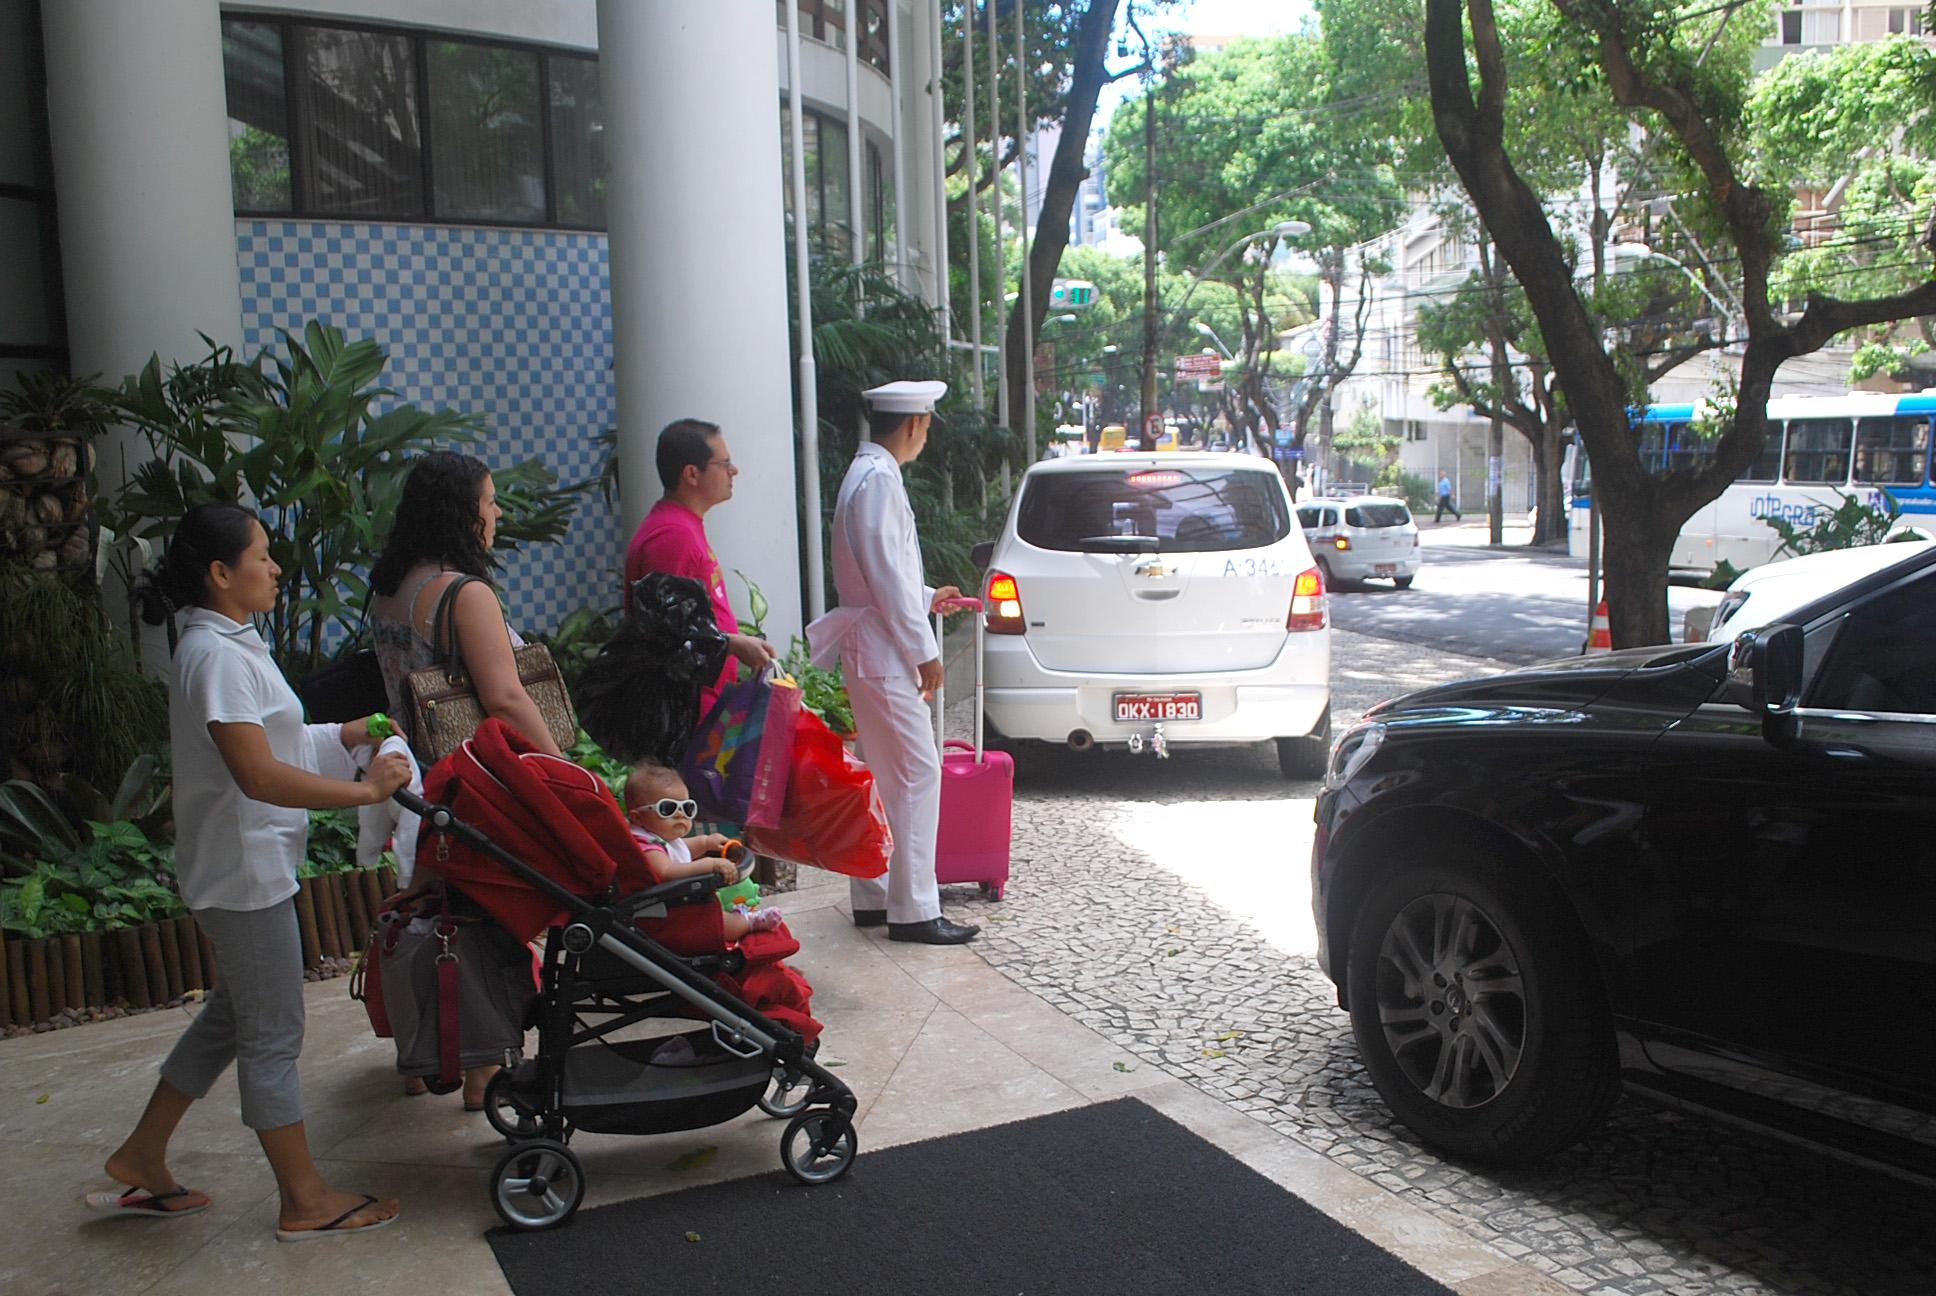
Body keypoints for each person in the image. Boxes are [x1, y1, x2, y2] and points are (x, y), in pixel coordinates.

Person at [88, 503, 409, 1240]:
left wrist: (354, 735)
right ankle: (303, 1200)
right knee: (271, 1034)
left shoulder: (233, 642)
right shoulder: (217, 657)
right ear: (220, 573)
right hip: (245, 874)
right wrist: (364, 792)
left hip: (247, 865)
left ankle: (142, 1155)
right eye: (262, 557)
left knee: (235, 1016)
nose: (274, 568)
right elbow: (259, 775)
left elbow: (282, 743)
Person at [368, 450, 556, 1104]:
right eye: (489, 502)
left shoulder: (390, 587)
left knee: (432, 908)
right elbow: (504, 697)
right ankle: (484, 1070)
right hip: (477, 783)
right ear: (461, 512)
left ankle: (422, 1051)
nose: (496, 514)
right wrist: (560, 767)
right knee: (482, 918)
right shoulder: (463, 593)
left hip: (419, 780)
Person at [807, 380, 980, 946]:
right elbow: (883, 575)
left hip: (873, 641)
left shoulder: (866, 473)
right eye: (927, 425)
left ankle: (878, 894)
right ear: (914, 425)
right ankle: (914, 907)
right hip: (882, 646)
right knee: (916, 771)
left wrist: (926, 595)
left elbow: (883, 573)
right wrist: (925, 652)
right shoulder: (878, 478)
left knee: (886, 772)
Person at [624, 419, 777, 714]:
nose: (734, 471)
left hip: (705, 702)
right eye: (725, 463)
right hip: (686, 711)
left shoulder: (683, 526)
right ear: (692, 474)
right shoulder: (672, 536)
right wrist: (731, 644)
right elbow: (664, 631)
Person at [623, 764, 784, 941]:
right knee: (721, 924)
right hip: (670, 913)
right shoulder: (646, 847)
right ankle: (750, 922)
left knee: (716, 906)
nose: (680, 815)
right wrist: (710, 864)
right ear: (637, 817)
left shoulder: (659, 837)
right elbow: (667, 872)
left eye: (687, 808)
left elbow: (681, 848)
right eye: (667, 809)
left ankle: (739, 916)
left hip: (680, 903)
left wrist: (706, 842)